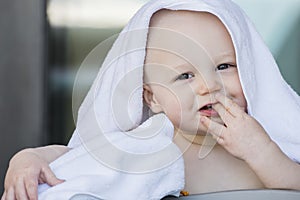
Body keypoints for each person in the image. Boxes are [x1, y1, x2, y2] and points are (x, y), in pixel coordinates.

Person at [2, 0, 300, 199]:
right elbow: (81, 155)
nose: (210, 86)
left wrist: (262, 151)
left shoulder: (272, 139)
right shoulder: (151, 144)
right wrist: (29, 159)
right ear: (152, 98)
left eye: (224, 67)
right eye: (184, 76)